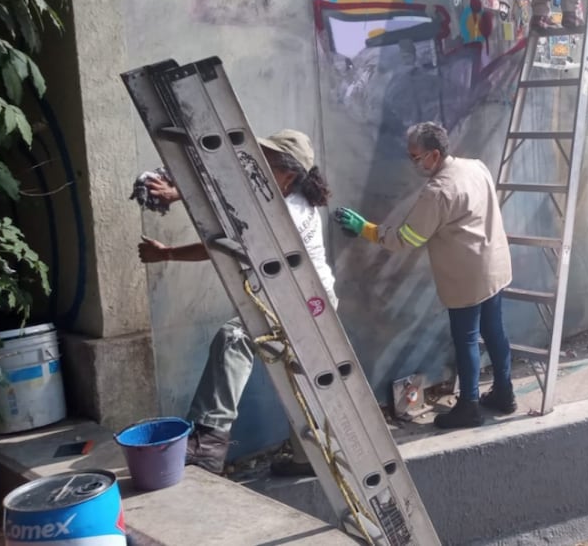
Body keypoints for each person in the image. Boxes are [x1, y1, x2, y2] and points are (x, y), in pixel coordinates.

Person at [137, 129, 337, 476]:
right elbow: (226, 210)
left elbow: (220, 241)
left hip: (305, 303)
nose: (253, 165)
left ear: (287, 173)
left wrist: (176, 209)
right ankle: (307, 461)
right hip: (304, 300)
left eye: (266, 161)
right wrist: (177, 201)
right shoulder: (273, 196)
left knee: (234, 338)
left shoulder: (285, 211)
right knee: (300, 384)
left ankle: (209, 443)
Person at [332, 121, 516, 430]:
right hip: (494, 264)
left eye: (415, 157)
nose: (413, 162)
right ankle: (505, 393)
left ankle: (469, 405)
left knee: (467, 338)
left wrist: (365, 228)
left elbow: (407, 238)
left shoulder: (438, 191)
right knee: (494, 331)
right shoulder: (476, 167)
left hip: (466, 276)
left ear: (433, 154)